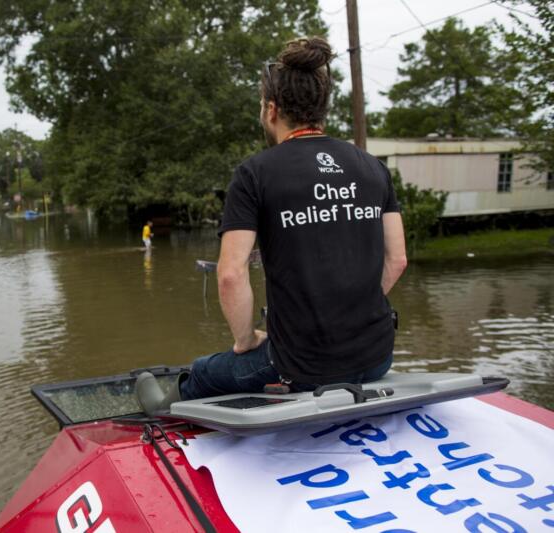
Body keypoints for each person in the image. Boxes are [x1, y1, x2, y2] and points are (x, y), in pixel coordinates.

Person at [136, 36, 407, 415]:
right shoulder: (373, 168)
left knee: (206, 370)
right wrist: (353, 312)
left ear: (271, 110)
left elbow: (231, 274)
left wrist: (245, 340)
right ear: (322, 109)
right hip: (378, 357)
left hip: (301, 367)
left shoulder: (255, 174)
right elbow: (397, 260)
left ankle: (162, 409)